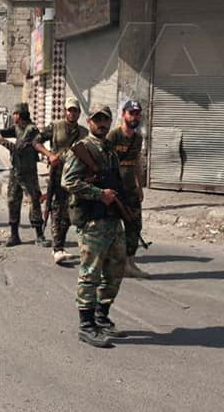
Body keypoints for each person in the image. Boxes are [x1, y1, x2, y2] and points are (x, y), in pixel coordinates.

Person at [62, 103, 127, 348]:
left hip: (112, 219)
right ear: (89, 122)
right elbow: (68, 182)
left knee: (115, 269)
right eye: (97, 119)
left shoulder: (109, 149)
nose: (101, 123)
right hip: (92, 220)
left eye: (105, 119)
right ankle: (86, 325)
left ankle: (101, 316)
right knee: (90, 273)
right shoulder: (82, 149)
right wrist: (99, 194)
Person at [0, 102, 56, 247]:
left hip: (28, 172)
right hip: (16, 171)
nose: (13, 116)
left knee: (34, 201)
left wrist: (2, 142)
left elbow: (18, 149)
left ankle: (39, 236)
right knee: (13, 201)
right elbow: (0, 132)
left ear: (19, 115)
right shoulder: (17, 128)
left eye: (14, 113)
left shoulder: (31, 129)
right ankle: (14, 236)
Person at [38, 97, 88, 265]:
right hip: (58, 173)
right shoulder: (55, 127)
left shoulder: (84, 132)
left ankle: (62, 246)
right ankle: (57, 248)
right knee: (57, 209)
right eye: (69, 110)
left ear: (79, 113)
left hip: (76, 175)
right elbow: (36, 141)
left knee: (71, 210)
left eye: (75, 110)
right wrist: (49, 155)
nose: (72, 113)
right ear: (64, 111)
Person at [106, 100, 147, 278]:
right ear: (123, 114)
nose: (134, 117)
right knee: (110, 227)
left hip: (130, 190)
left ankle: (129, 263)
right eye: (131, 113)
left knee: (135, 226)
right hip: (114, 190)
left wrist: (139, 186)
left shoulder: (138, 139)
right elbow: (104, 160)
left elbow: (136, 162)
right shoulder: (113, 136)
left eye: (137, 114)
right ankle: (109, 263)